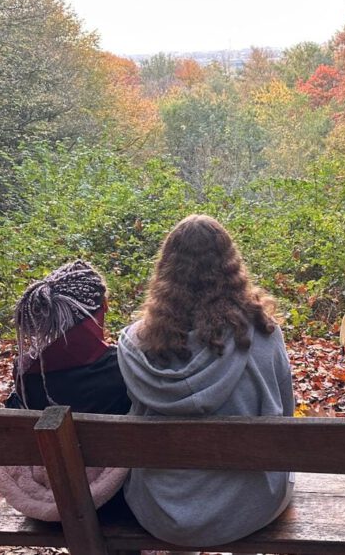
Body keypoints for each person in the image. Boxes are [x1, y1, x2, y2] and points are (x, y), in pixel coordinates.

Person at [118, 215, 295, 549]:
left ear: (166, 270)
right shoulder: (264, 336)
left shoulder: (133, 345)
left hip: (158, 509)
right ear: (231, 267)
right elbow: (285, 418)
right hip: (251, 506)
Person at [0, 260, 132, 522]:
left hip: (54, 496)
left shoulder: (27, 372)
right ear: (103, 308)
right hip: (118, 500)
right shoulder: (123, 367)